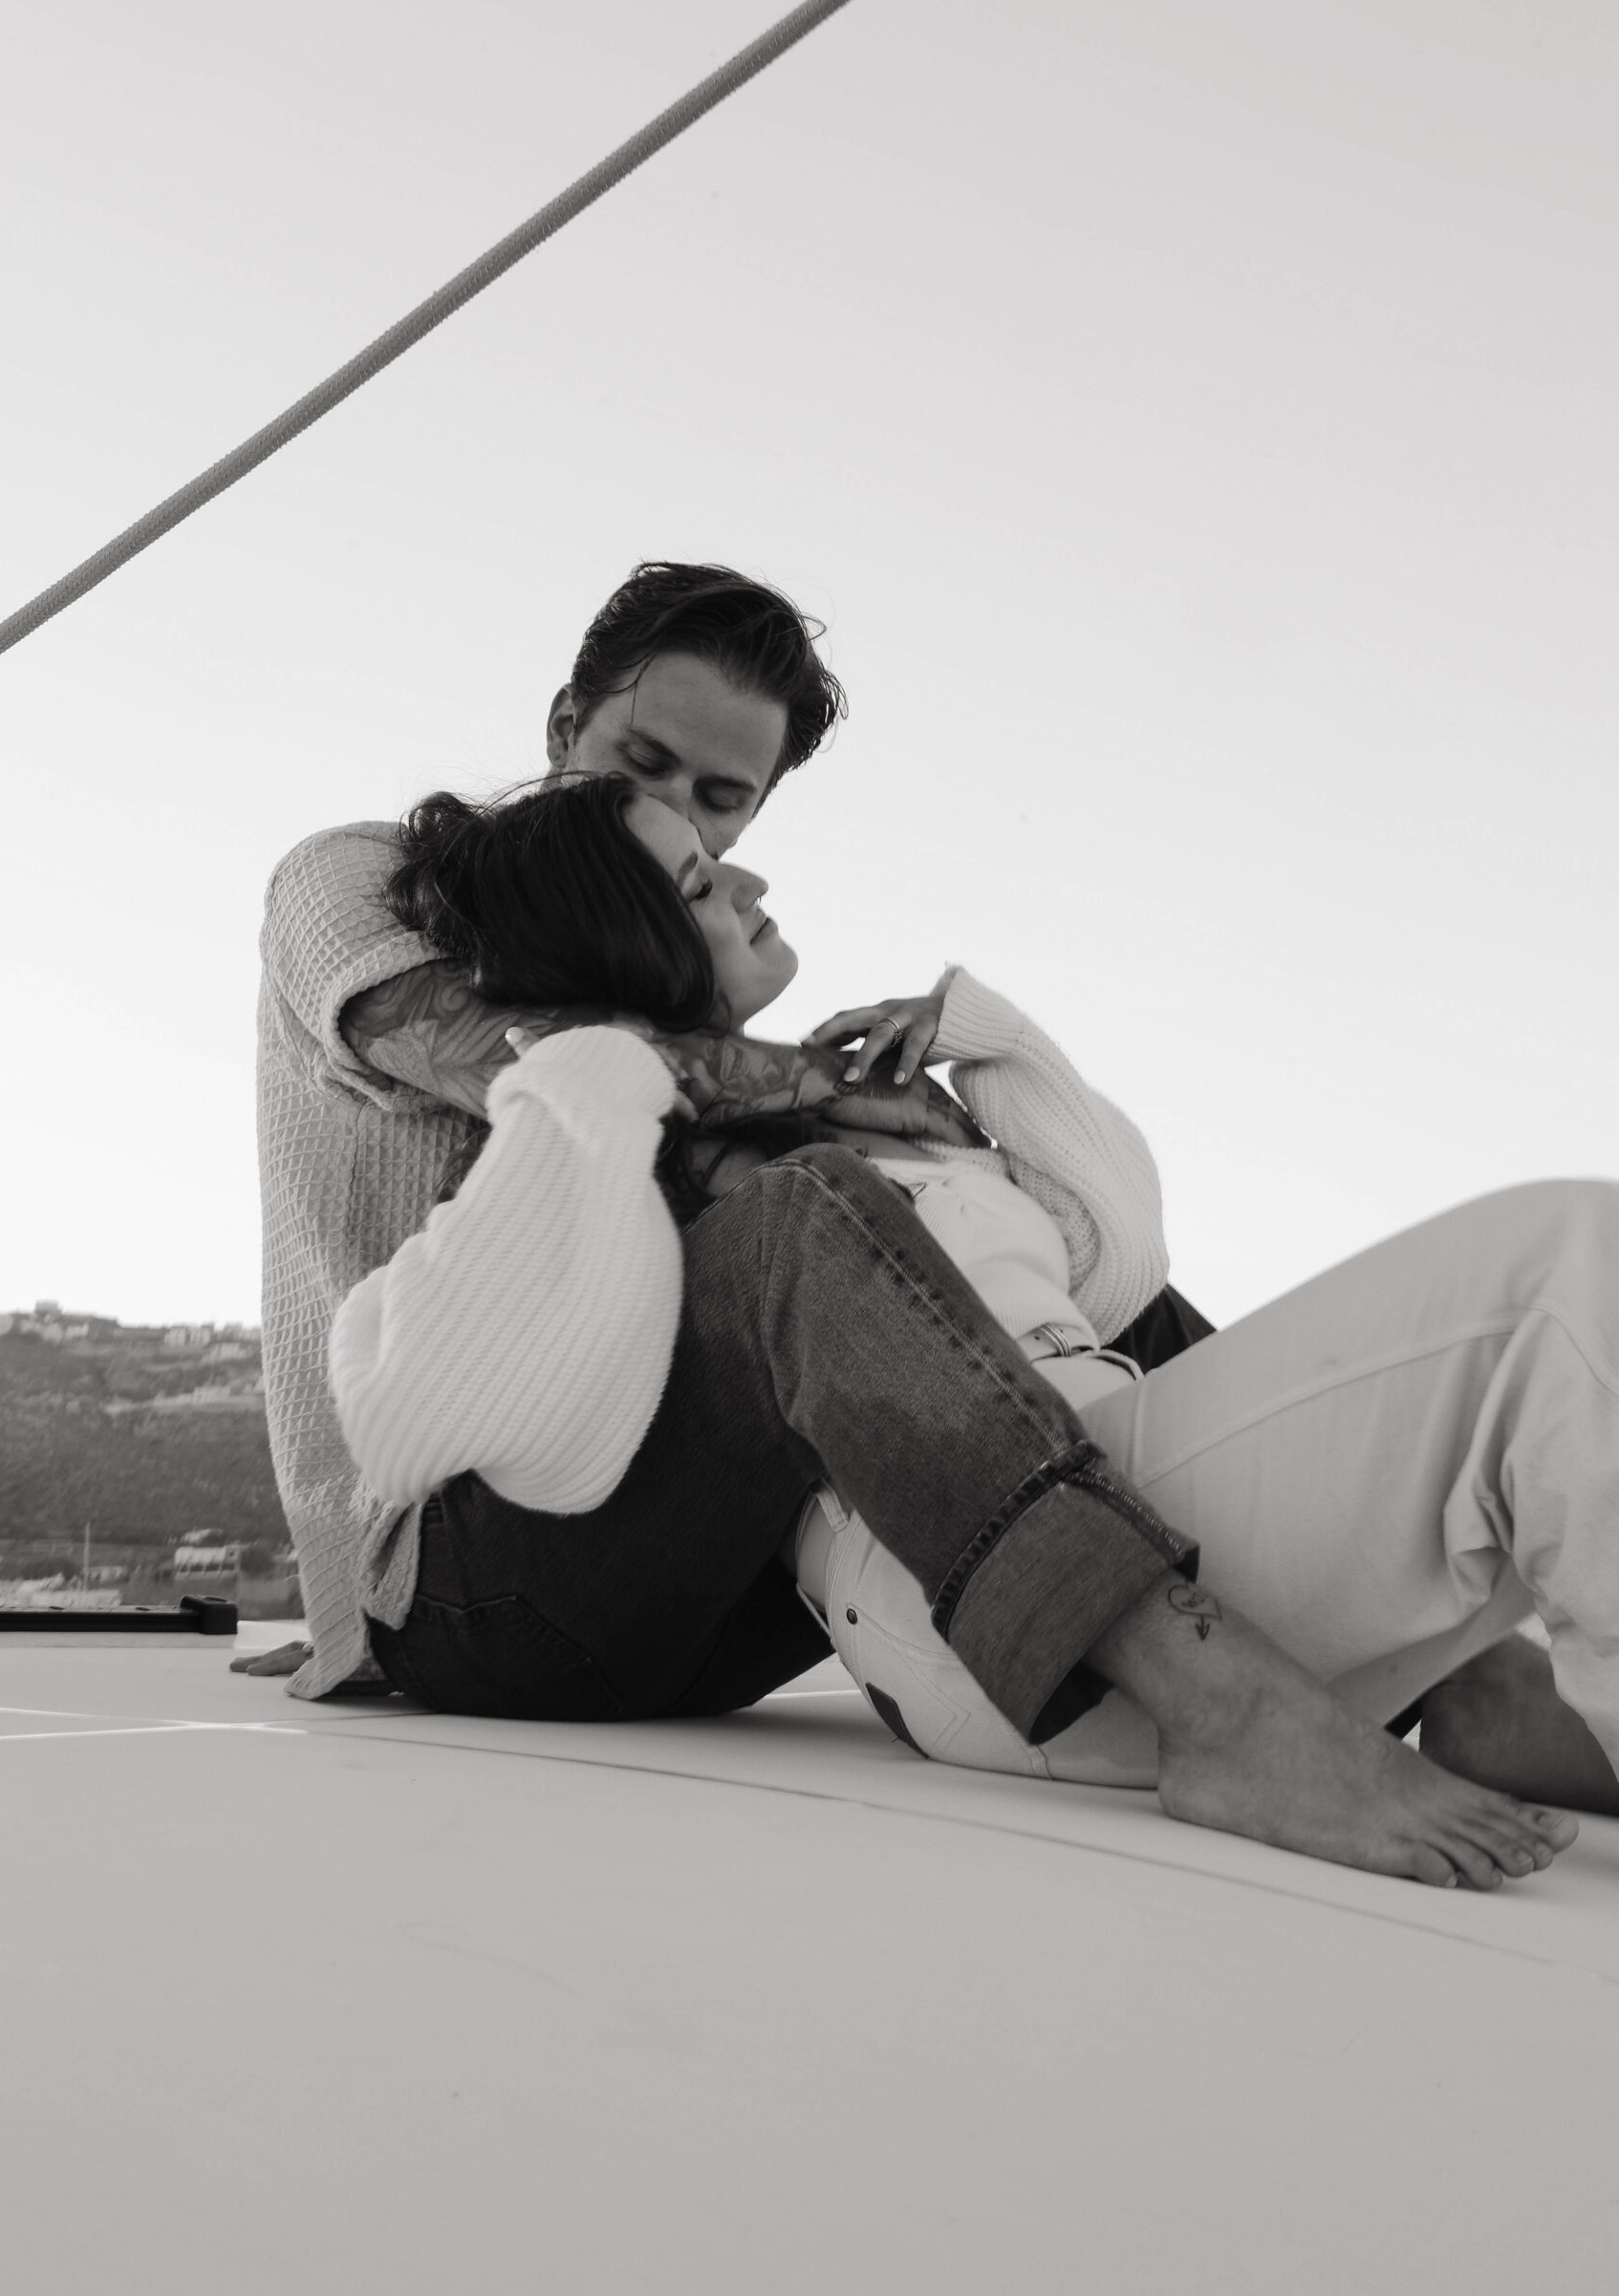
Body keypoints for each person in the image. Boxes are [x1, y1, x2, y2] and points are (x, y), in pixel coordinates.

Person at [326, 773, 1611, 1887]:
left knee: (1560, 1266)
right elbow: (437, 1413)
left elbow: (1117, 1263)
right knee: (1561, 1260)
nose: (751, 877)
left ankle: (1486, 1689)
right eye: (701, 881)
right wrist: (612, 1077)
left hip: (1118, 1487)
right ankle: (1231, 1717)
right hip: (1009, 1633)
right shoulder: (601, 1150)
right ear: (624, 943)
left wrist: (981, 1053)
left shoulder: (839, 1129)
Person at [252, 560, 1206, 1694]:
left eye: (721, 798)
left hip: (709, 1576)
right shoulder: (362, 875)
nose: (674, 814)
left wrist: (958, 1099)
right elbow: (517, 1055)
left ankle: (1404, 1654)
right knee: (805, 1222)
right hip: (455, 1579)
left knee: (1074, 1292)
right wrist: (817, 1082)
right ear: (566, 723)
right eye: (642, 763)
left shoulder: (713, 1027)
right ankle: (1209, 1694)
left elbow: (1075, 1269)